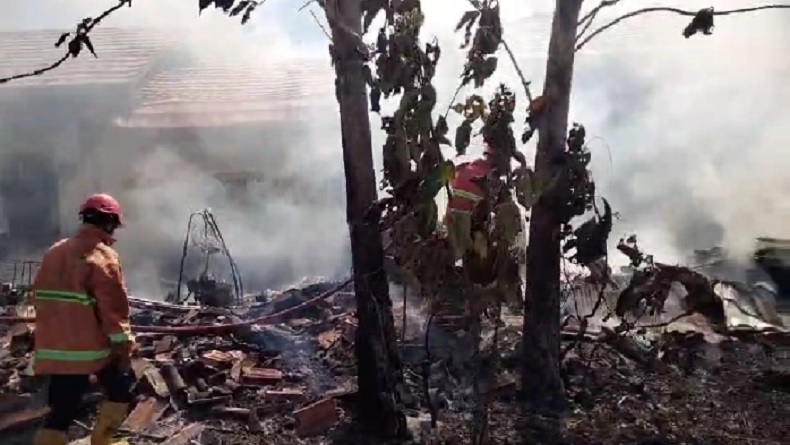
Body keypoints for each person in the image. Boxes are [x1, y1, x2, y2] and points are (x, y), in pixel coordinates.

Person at [31, 193, 135, 445]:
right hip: (91, 351)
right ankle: (103, 440)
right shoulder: (104, 257)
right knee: (123, 389)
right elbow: (113, 312)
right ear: (109, 222)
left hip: (54, 348)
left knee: (61, 410)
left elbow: (41, 300)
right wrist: (124, 347)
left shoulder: (54, 252)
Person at [445, 145, 494, 260]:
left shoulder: (465, 167)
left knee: (453, 241)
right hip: (465, 212)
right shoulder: (485, 178)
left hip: (451, 208)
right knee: (464, 246)